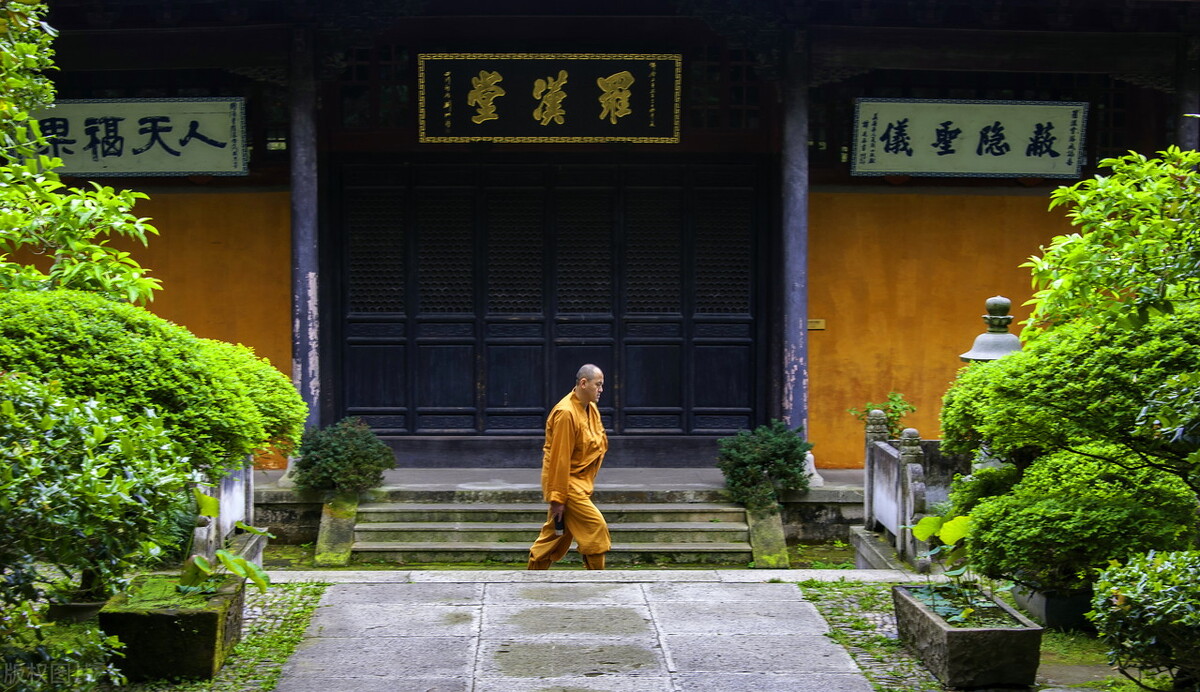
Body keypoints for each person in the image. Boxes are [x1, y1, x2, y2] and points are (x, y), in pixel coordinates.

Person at [526, 364, 611, 570]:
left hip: (580, 483)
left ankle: (533, 577)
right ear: (583, 383)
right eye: (598, 385)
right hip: (567, 485)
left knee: (555, 534)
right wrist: (557, 498)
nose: (601, 390)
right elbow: (559, 459)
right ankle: (598, 583)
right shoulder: (566, 413)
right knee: (595, 528)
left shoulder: (590, 407)